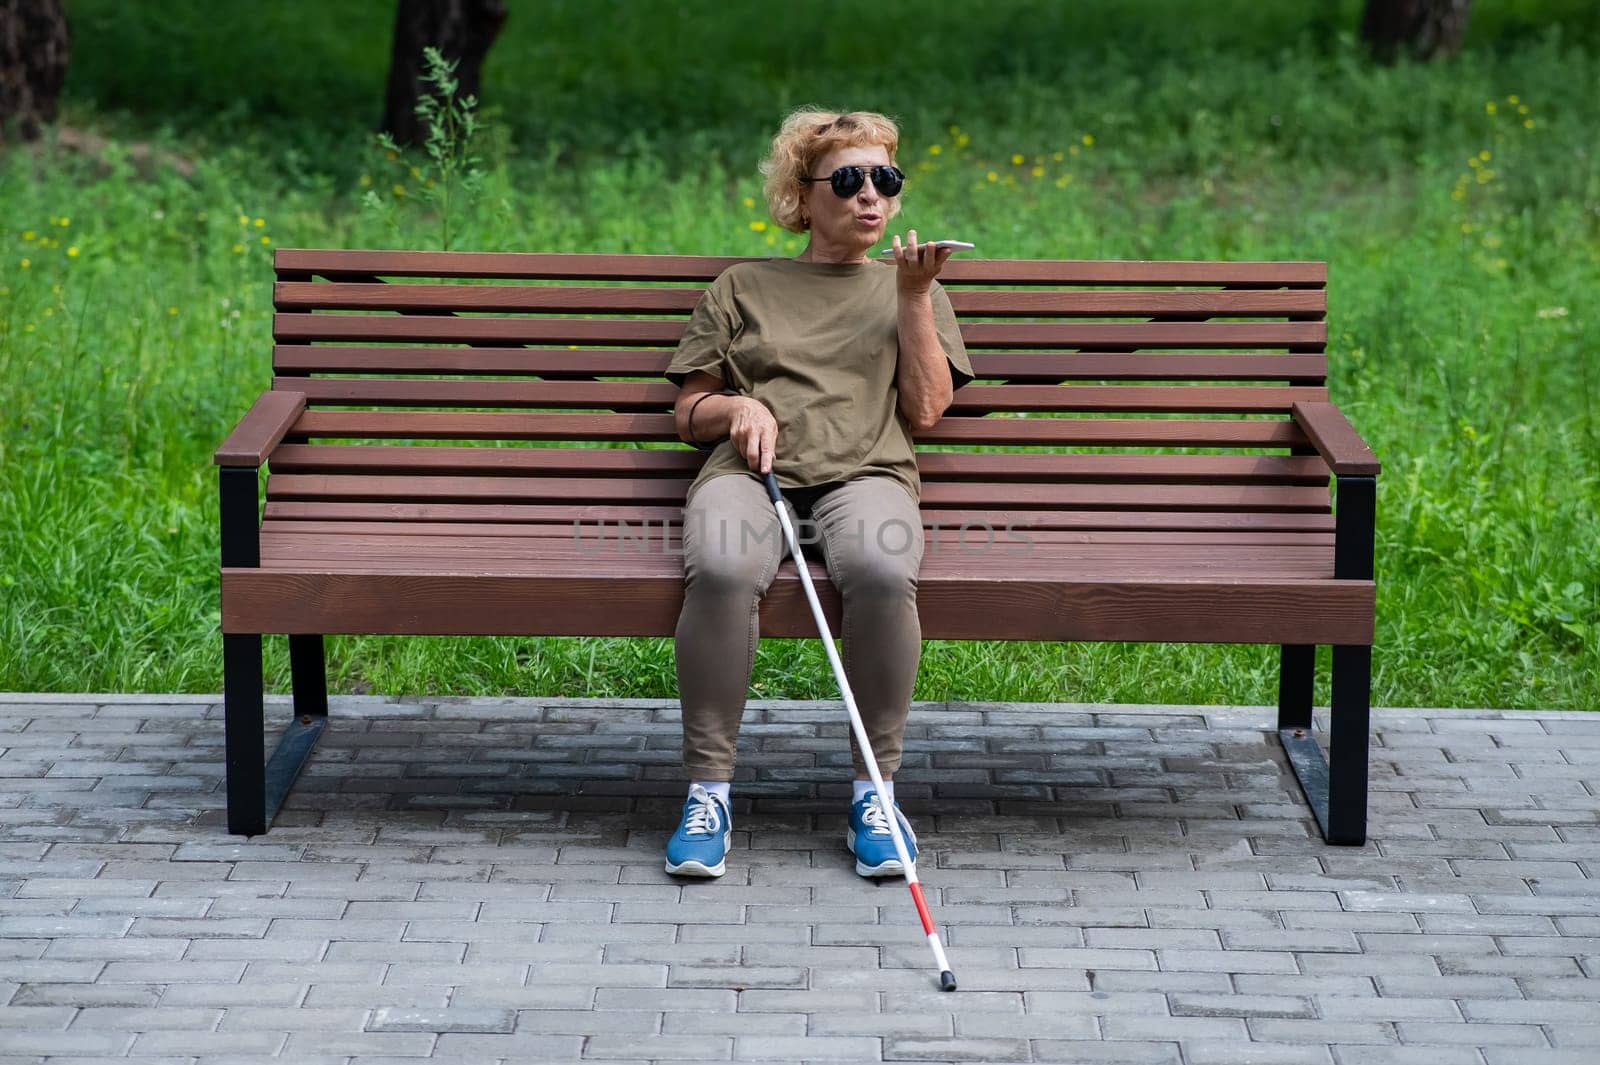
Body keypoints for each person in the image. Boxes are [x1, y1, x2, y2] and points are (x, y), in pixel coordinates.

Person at [661, 108, 975, 879]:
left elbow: (929, 410)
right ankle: (709, 790)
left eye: (886, 179)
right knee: (725, 568)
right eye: (849, 179)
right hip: (751, 474)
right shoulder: (745, 285)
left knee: (878, 568)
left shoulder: (914, 287)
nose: (871, 196)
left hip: (866, 471)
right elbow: (688, 411)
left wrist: (909, 298)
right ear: (804, 196)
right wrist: (737, 406)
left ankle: (877, 791)